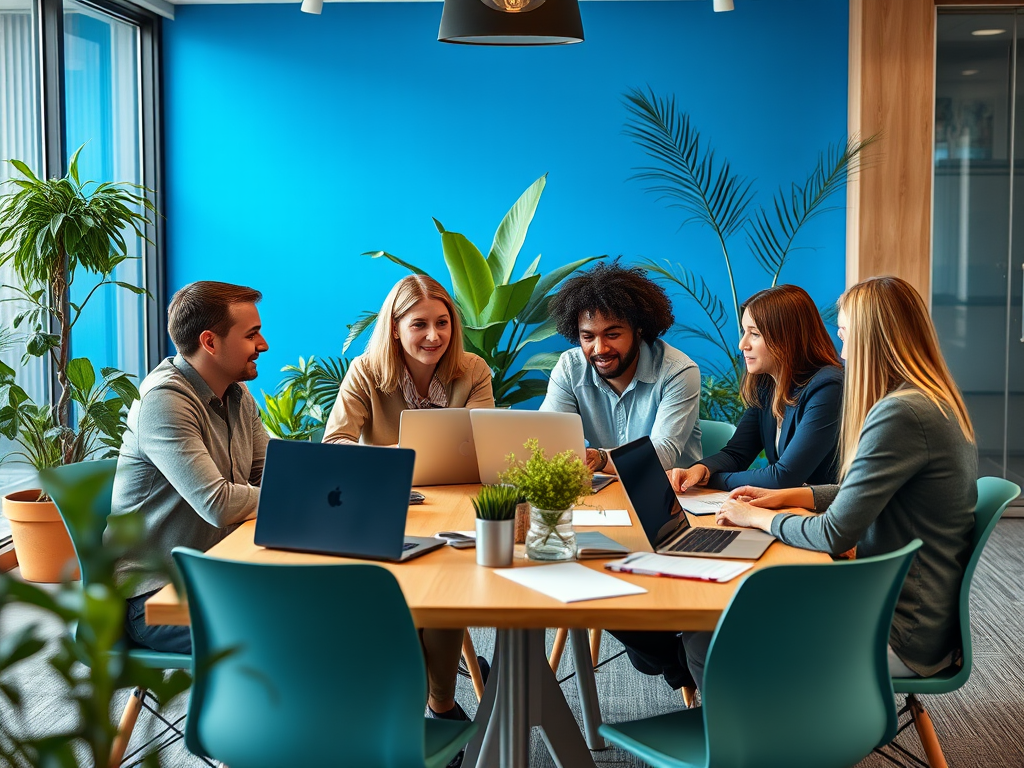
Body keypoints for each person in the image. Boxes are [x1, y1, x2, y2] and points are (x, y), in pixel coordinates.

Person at [702, 276, 976, 690]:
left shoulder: (900, 414)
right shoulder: (928, 400)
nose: (841, 351)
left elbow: (833, 533)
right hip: (905, 613)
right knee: (731, 615)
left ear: (870, 339)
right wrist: (793, 495)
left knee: (712, 635)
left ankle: (764, 740)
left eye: (845, 335)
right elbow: (870, 492)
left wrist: (755, 517)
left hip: (897, 633)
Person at [323, 275, 493, 742]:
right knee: (408, 596)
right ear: (395, 328)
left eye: (443, 323)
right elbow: (334, 447)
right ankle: (427, 710)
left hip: (457, 508)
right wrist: (400, 454)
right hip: (384, 511)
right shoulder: (364, 372)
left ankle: (436, 704)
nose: (434, 336)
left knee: (448, 585)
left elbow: (488, 447)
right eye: (419, 324)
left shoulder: (472, 369)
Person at [109, 281, 270, 656]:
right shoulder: (164, 400)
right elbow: (217, 503)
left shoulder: (236, 393)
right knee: (283, 632)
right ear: (210, 342)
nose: (263, 345)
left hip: (217, 574)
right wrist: (303, 499)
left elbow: (275, 474)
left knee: (320, 610)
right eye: (252, 335)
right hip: (152, 598)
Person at [669, 285, 843, 493]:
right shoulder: (768, 384)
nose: (743, 344)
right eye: (745, 332)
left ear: (788, 338)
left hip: (821, 518)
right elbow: (736, 454)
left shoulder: (828, 387)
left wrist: (711, 480)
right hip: (787, 510)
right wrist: (700, 470)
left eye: (755, 334)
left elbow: (784, 476)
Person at [540, 262, 701, 472]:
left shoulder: (677, 371)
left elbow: (661, 454)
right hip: (598, 492)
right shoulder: (570, 368)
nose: (600, 348)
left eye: (612, 335)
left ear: (639, 329)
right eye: (588, 336)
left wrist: (601, 458)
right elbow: (549, 438)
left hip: (672, 495)